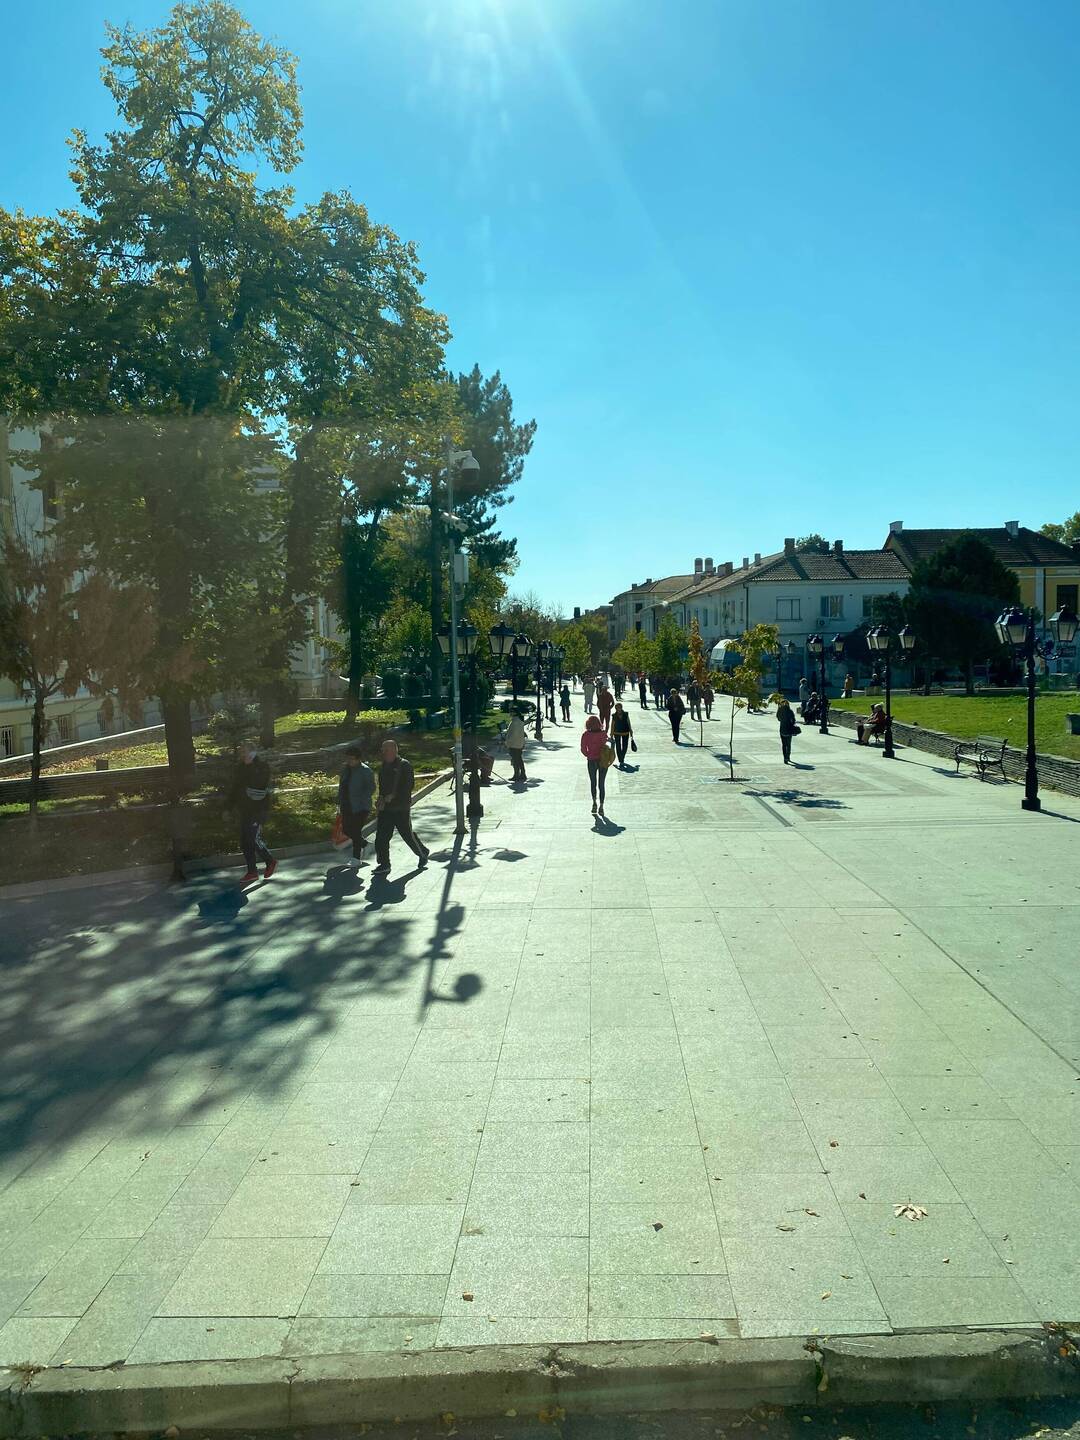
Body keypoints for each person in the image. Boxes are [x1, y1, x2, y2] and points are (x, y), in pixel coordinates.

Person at [374, 738, 429, 872]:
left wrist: (394, 796)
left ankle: (422, 853)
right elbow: (382, 786)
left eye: (387, 750)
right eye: (383, 750)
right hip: (386, 808)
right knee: (381, 837)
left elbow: (408, 786)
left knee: (407, 834)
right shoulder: (383, 766)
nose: (384, 752)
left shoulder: (404, 765)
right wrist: (380, 798)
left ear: (394, 750)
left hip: (400, 807)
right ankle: (384, 864)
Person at [230, 742, 276, 885]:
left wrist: (250, 766)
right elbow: (235, 788)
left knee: (252, 839)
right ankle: (252, 872)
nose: (243, 755)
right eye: (241, 752)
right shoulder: (240, 768)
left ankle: (270, 861)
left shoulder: (261, 766)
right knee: (245, 842)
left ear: (253, 752)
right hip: (244, 809)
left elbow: (259, 783)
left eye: (246, 751)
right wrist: (228, 806)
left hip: (258, 810)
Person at [337, 742, 375, 869]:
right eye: (347, 758)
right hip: (347, 805)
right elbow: (342, 786)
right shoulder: (345, 769)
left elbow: (371, 788)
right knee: (347, 830)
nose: (349, 761)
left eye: (351, 759)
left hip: (361, 807)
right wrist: (339, 801)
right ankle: (365, 844)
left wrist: (361, 798)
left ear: (358, 759)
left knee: (356, 830)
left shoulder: (365, 770)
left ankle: (356, 858)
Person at [580, 714, 609, 816]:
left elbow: (583, 749)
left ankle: (594, 803)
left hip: (592, 761)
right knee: (602, 784)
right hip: (602, 760)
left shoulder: (586, 734)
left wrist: (589, 754)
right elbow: (606, 743)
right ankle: (601, 806)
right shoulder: (603, 733)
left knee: (593, 783)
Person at [505, 707, 528, 782]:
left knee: (515, 760)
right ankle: (522, 774)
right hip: (519, 743)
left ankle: (516, 775)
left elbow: (513, 735)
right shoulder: (519, 721)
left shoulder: (515, 722)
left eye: (511, 711)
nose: (510, 713)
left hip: (514, 744)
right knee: (519, 759)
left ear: (515, 713)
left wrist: (507, 742)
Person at [610, 700, 634, 767]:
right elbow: (612, 725)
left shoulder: (626, 714)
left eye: (619, 708)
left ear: (621, 708)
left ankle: (622, 757)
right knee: (618, 746)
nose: (618, 709)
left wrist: (631, 730)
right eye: (617, 708)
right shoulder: (614, 715)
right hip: (616, 732)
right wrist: (611, 734)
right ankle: (620, 759)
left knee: (625, 746)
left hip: (625, 732)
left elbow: (628, 722)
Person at [777, 697, 798, 764]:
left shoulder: (780, 711)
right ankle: (788, 756)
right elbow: (793, 720)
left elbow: (778, 718)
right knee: (788, 744)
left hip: (782, 729)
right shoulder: (790, 711)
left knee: (784, 744)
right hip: (789, 729)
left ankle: (785, 758)